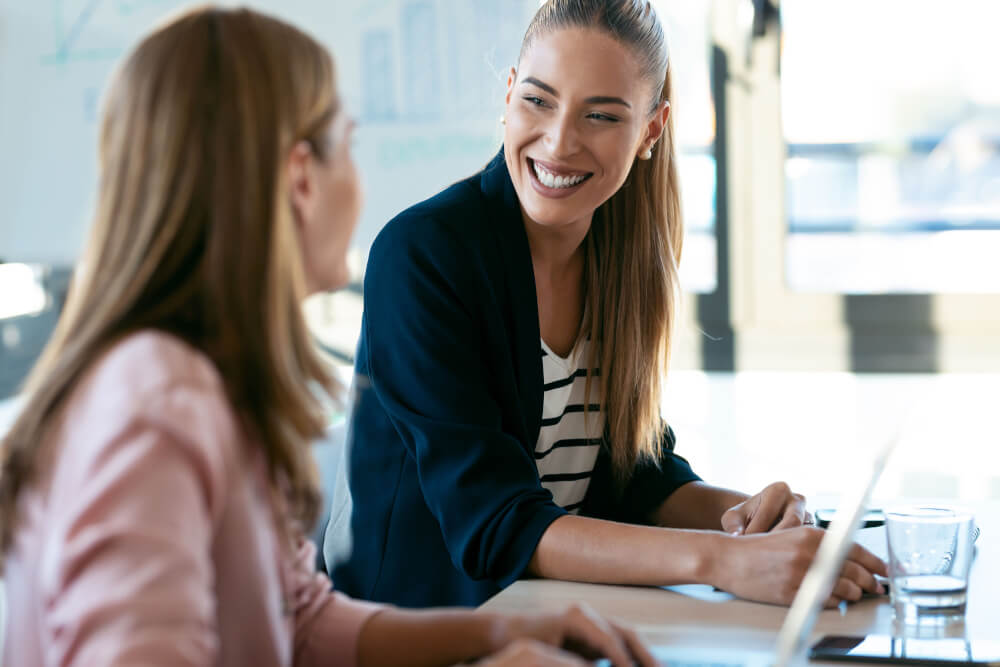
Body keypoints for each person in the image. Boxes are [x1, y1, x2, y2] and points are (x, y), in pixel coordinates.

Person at [0, 7, 655, 666]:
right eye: (348, 144)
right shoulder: (158, 411)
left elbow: (301, 619)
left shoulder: (211, 382)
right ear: (301, 178)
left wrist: (501, 637)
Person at [331, 0, 887, 610]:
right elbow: (496, 524)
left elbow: (634, 475)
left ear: (651, 130)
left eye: (600, 115)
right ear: (509, 94)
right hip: (426, 626)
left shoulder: (619, 257)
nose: (559, 141)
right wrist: (726, 561)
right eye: (538, 100)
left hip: (557, 617)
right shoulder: (423, 255)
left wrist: (762, 525)